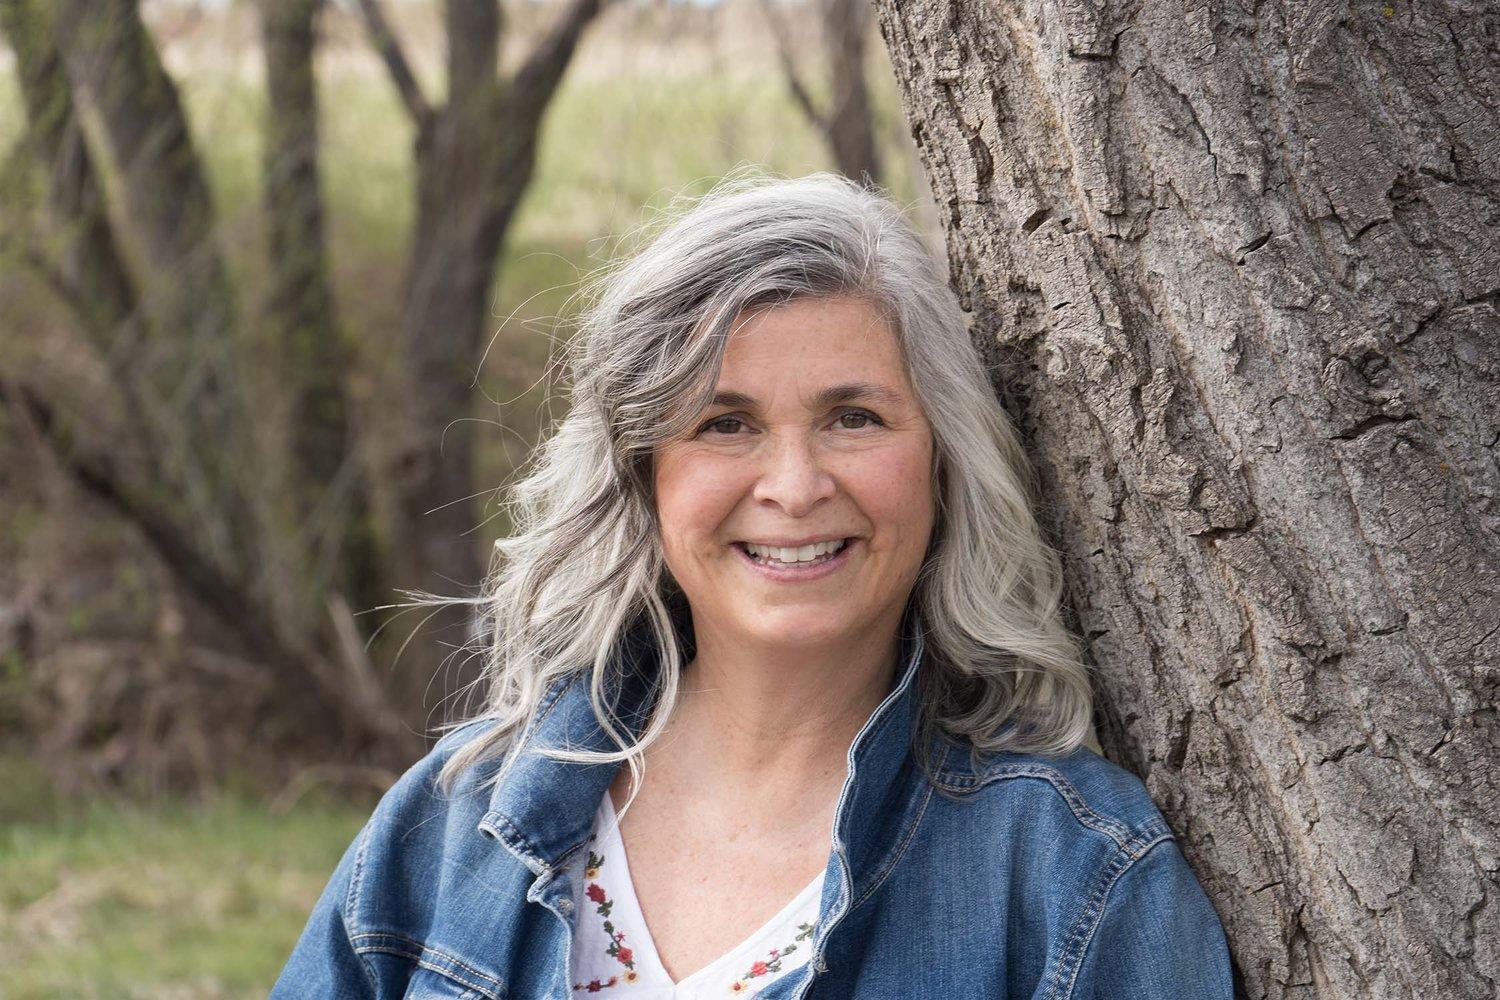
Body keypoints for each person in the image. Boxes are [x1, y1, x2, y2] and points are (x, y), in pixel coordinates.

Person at [271, 171, 1234, 999]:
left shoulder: (1075, 875)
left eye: (853, 417)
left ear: (944, 462)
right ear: (645, 477)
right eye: (725, 424)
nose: (795, 486)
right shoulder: (453, 824)